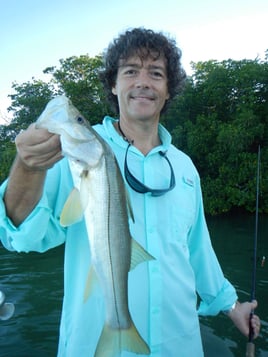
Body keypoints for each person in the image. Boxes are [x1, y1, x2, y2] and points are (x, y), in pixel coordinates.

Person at [0, 28, 261, 356]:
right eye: (130, 71)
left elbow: (199, 252)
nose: (143, 82)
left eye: (156, 73)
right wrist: (28, 166)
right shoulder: (75, 153)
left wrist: (232, 306)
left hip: (180, 344)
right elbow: (21, 237)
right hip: (92, 344)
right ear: (113, 83)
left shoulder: (184, 168)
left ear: (168, 90)